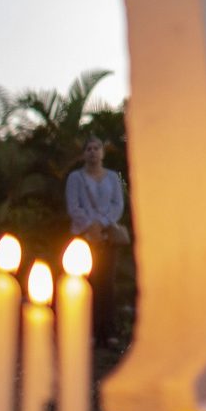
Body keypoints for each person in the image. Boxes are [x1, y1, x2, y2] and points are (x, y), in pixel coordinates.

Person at [65, 136, 126, 347]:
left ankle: (108, 331)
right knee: (87, 282)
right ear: (83, 153)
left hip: (108, 236)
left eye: (96, 148)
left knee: (106, 283)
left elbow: (117, 205)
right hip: (84, 236)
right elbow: (73, 206)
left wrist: (102, 223)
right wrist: (91, 226)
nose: (93, 152)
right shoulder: (76, 178)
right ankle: (86, 330)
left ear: (102, 152)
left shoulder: (112, 178)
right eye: (89, 148)